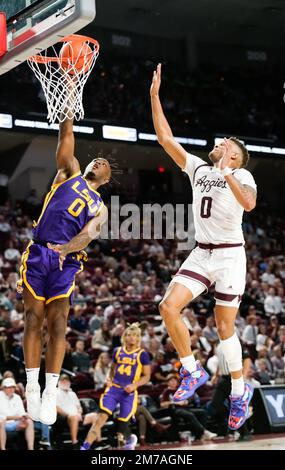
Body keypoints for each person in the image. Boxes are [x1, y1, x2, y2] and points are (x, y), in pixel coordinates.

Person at [150, 63, 257, 431]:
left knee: (225, 327)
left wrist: (228, 172)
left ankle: (239, 393)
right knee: (168, 306)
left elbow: (249, 205)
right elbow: (166, 139)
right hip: (202, 250)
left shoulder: (241, 174)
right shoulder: (198, 168)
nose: (218, 143)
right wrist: (154, 96)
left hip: (229, 254)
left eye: (225, 142)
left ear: (234, 154)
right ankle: (191, 370)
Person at [16, 114, 111, 426]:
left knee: (58, 325)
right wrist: (67, 111)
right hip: (40, 249)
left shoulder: (100, 206)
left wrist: (68, 249)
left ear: (107, 178)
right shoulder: (69, 173)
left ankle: (50, 390)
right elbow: (65, 141)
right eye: (95, 159)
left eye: (103, 163)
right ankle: (32, 386)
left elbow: (90, 233)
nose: (98, 161)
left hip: (66, 260)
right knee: (34, 318)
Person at [80, 323, 151, 450]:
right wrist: (108, 378)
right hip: (114, 390)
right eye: (128, 335)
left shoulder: (142, 354)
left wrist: (135, 385)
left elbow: (147, 376)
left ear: (138, 338)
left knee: (122, 425)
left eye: (134, 336)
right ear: (124, 337)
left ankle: (129, 439)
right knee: (100, 418)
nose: (131, 338)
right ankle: (85, 447)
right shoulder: (117, 351)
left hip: (128, 393)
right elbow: (112, 370)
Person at [55, 374, 98, 449]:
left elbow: (79, 406)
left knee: (95, 416)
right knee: (73, 417)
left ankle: (96, 441)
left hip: (77, 416)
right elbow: (56, 408)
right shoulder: (56, 392)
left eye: (67, 380)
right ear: (59, 382)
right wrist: (69, 414)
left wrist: (79, 413)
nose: (65, 382)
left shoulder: (72, 393)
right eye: (63, 380)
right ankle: (75, 443)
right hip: (63, 417)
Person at [0, 377, 34, 450]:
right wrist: (16, 417)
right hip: (3, 423)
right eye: (8, 387)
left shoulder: (17, 397)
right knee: (1, 422)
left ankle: (31, 448)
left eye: (12, 387)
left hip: (15, 423)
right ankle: (3, 448)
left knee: (29, 421)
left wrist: (24, 417)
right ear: (3, 388)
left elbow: (21, 412)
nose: (11, 389)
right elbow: (1, 416)